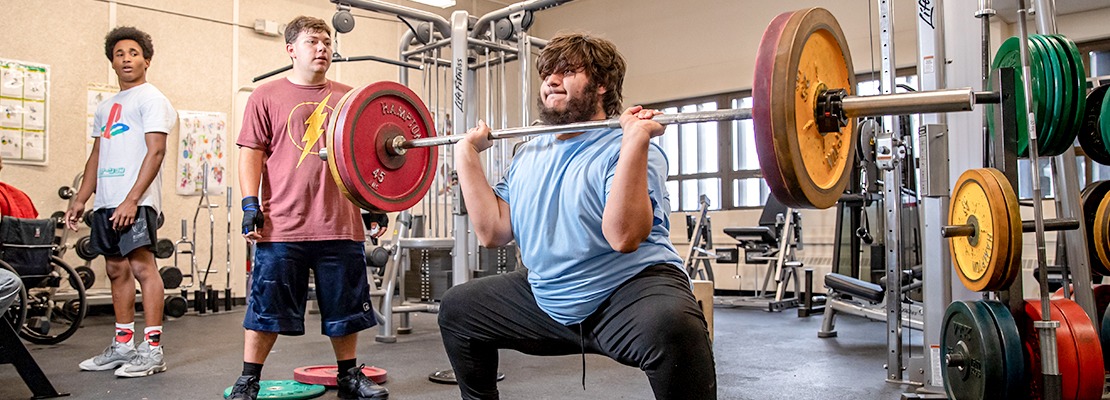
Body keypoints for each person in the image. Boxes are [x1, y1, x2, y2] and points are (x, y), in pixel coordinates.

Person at [439, 33, 717, 399]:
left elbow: (624, 236)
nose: (551, 80)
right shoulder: (530, 153)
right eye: (547, 73)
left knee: (673, 327)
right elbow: (494, 231)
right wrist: (466, 155)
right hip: (547, 294)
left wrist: (635, 141)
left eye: (567, 71)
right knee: (459, 309)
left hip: (626, 291)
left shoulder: (627, 147)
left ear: (601, 84)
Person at [227, 15, 388, 400]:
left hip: (340, 223)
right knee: (265, 309)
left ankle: (349, 375)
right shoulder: (264, 96)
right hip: (282, 225)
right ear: (291, 50)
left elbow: (365, 159)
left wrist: (374, 205)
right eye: (313, 41)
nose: (322, 48)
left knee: (346, 308)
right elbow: (251, 153)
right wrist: (251, 204)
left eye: (327, 42)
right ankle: (249, 378)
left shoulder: (350, 98)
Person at [66, 26, 175, 378]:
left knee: (144, 267)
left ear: (147, 60)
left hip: (136, 200)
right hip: (107, 201)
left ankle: (153, 349)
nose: (126, 59)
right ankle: (124, 346)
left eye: (133, 53)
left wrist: (133, 199)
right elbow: (97, 155)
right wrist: (81, 198)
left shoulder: (152, 99)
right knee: (115, 269)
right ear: (112, 63)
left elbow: (156, 151)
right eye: (119, 54)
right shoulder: (106, 106)